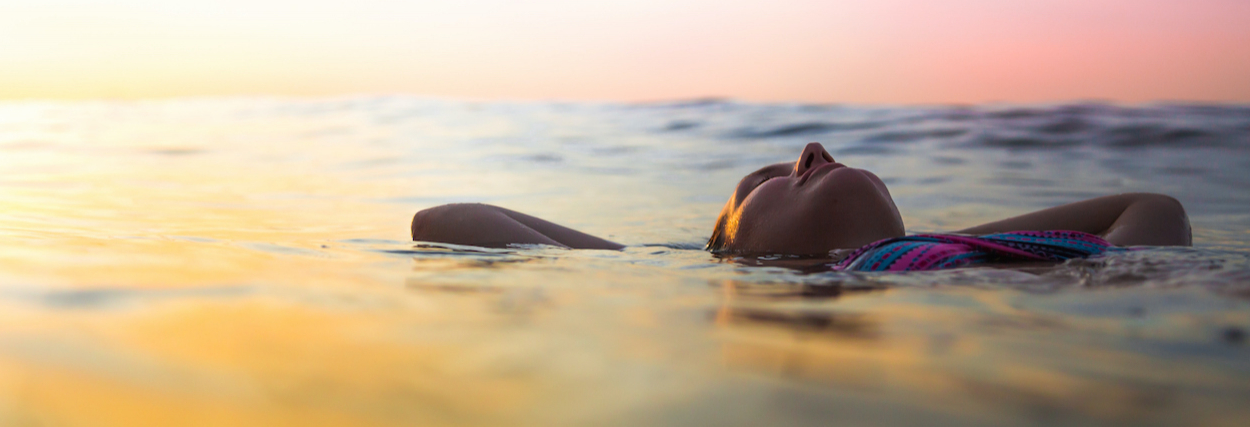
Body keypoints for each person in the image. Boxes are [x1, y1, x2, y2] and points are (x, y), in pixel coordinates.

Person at [411, 142, 1191, 271]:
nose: (814, 152)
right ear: (733, 248)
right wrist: (677, 264)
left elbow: (1155, 205)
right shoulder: (717, 280)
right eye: (769, 179)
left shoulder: (947, 269)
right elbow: (443, 220)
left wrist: (912, 243)